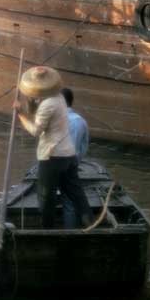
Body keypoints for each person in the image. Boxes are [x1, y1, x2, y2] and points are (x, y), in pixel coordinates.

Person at [15, 66, 93, 229]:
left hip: (52, 157)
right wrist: (30, 101)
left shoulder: (48, 104)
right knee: (76, 193)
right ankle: (89, 221)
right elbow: (37, 112)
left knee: (46, 198)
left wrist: (20, 113)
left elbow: (36, 130)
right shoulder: (59, 98)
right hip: (69, 155)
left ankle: (47, 231)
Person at [60, 87, 90, 228]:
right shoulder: (81, 121)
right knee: (70, 200)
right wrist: (76, 162)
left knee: (48, 200)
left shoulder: (53, 120)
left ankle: (54, 230)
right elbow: (84, 147)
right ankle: (74, 228)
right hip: (71, 165)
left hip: (52, 165)